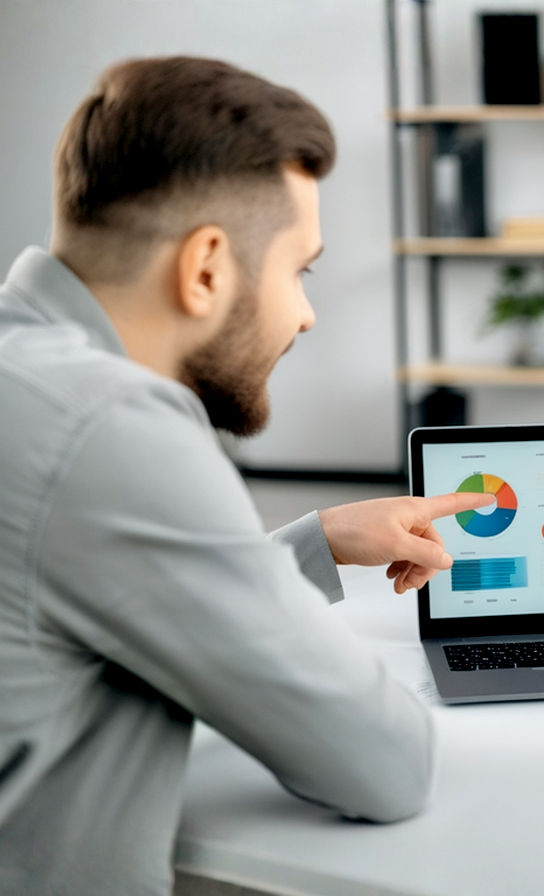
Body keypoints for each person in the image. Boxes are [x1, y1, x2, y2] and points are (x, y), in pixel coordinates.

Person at [0, 57, 491, 894]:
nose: (305, 314)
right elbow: (385, 763)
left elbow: (95, 581)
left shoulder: (29, 376)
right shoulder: (109, 426)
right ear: (205, 268)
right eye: (299, 270)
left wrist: (314, 544)